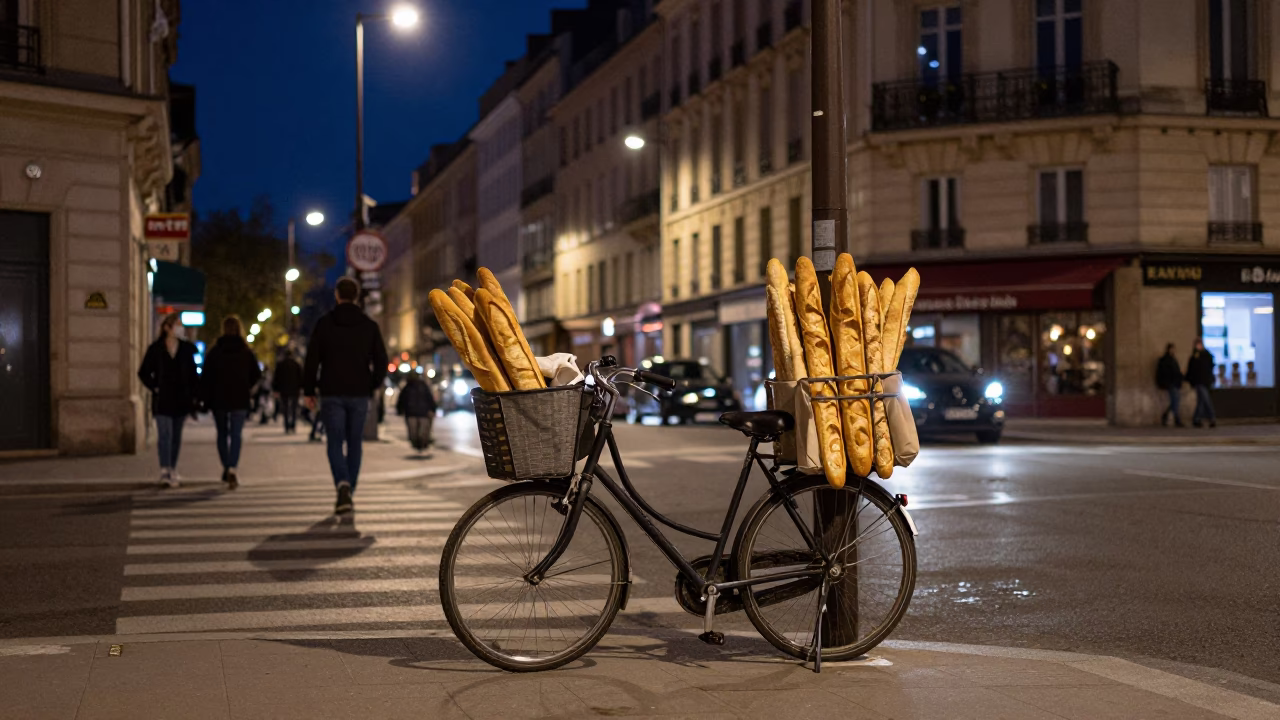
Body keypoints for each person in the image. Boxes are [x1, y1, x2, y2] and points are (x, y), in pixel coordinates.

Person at [304, 277, 389, 514]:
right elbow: (381, 360)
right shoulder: (368, 326)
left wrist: (309, 390)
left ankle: (341, 483)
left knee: (334, 441)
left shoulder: (324, 324)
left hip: (331, 391)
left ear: (337, 295)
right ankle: (349, 489)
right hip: (359, 392)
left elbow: (312, 359)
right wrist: (372, 384)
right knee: (354, 442)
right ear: (356, 295)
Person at [137, 313, 199, 488]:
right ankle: (164, 469)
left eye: (181, 325)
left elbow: (193, 376)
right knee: (165, 434)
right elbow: (143, 372)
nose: (181, 328)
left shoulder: (186, 349)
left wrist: (194, 397)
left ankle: (173, 468)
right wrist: (155, 386)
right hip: (163, 399)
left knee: (176, 437)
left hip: (181, 400)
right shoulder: (156, 349)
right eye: (177, 324)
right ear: (167, 328)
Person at [201, 316, 262, 489]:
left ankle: (226, 465)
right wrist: (246, 386)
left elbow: (206, 376)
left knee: (222, 433)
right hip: (239, 398)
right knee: (236, 434)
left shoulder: (215, 351)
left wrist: (206, 396)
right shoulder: (245, 351)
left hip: (219, 398)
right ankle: (233, 468)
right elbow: (256, 374)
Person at [397, 373, 437, 452]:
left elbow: (401, 400)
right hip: (422, 413)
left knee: (414, 432)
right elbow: (430, 398)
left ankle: (419, 445)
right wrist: (432, 409)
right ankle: (422, 444)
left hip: (411, 413)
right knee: (422, 432)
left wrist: (400, 410)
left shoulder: (407, 387)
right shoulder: (423, 386)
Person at [1186, 338, 1217, 428]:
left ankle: (1197, 419)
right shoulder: (1195, 357)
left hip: (1205, 381)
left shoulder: (1206, 355)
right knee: (1205, 400)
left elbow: (1210, 366)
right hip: (1199, 382)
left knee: (1201, 401)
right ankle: (1211, 418)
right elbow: (1192, 370)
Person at [275, 350, 304, 434]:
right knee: (294, 408)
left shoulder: (280, 365)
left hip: (284, 389)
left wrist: (276, 389)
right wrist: (301, 388)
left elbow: (277, 378)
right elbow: (301, 377)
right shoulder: (296, 364)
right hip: (295, 389)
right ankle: (293, 425)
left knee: (285, 408)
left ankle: (287, 426)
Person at [1155, 343, 1184, 427]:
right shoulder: (1165, 360)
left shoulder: (1174, 360)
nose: (1173, 351)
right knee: (1175, 400)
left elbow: (1177, 372)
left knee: (1175, 401)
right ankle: (1176, 418)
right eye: (1171, 349)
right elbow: (1163, 373)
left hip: (1174, 383)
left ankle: (1166, 415)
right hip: (1170, 383)